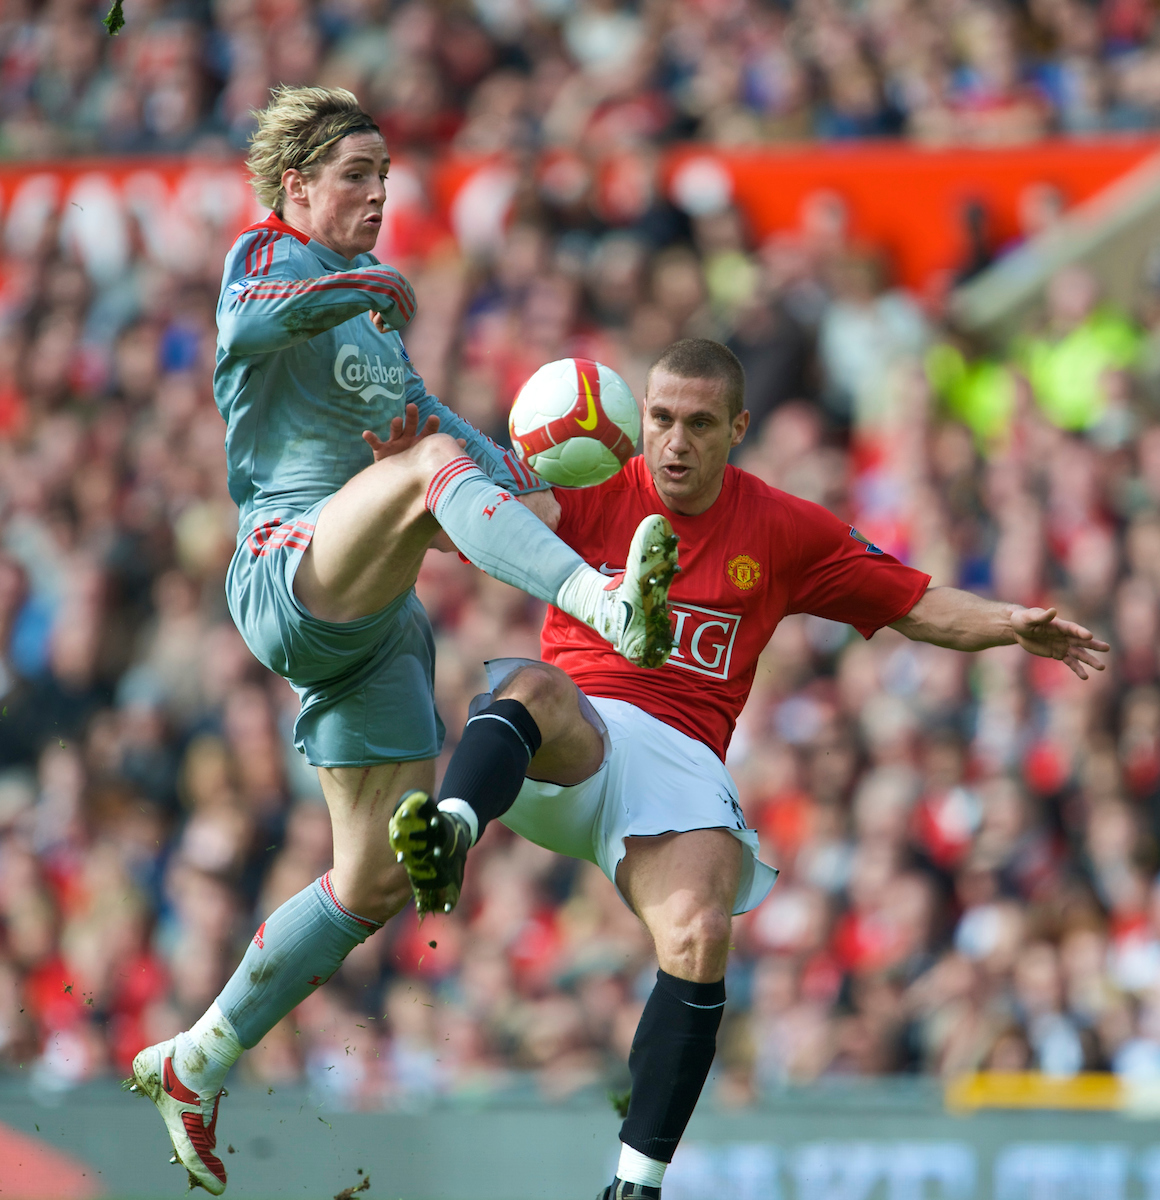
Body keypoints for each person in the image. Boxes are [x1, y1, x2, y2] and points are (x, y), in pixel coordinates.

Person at [390, 338, 1110, 1200]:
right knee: (537, 683)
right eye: (660, 420)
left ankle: (634, 1184)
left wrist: (1008, 622)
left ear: (738, 427)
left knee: (699, 934)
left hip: (681, 761)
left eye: (699, 424)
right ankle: (452, 829)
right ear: (638, 418)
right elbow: (456, 525)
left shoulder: (782, 529)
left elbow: (915, 603)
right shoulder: (584, 485)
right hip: (570, 737)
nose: (675, 443)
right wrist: (405, 478)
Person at [125, 85, 680, 1195]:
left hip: (374, 628)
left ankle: (199, 1055)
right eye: (354, 177)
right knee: (423, 482)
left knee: (370, 880)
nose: (377, 196)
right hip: (286, 572)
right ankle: (609, 606)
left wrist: (519, 473)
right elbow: (246, 329)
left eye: (384, 179)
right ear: (297, 189)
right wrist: (368, 284)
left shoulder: (370, 326)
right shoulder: (264, 261)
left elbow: (429, 428)